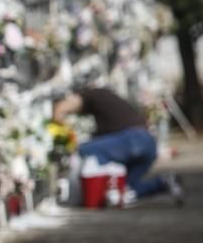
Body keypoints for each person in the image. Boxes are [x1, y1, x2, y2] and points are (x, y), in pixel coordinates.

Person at [52, 86, 183, 205]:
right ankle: (164, 182)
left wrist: (60, 130)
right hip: (149, 144)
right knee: (124, 189)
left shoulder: (92, 94)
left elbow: (62, 108)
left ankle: (79, 194)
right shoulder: (108, 104)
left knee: (82, 149)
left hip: (132, 139)